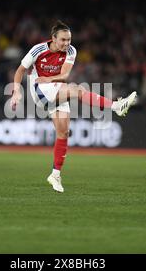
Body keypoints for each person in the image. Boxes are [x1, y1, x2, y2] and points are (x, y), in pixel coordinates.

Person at [10, 20, 137, 193]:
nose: (66, 43)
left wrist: (49, 79)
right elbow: (20, 71)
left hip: (55, 87)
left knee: (63, 132)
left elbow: (65, 74)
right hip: (39, 89)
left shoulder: (71, 50)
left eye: (69, 39)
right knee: (77, 90)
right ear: (53, 38)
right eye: (63, 40)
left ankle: (55, 174)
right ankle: (116, 106)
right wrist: (16, 91)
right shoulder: (38, 49)